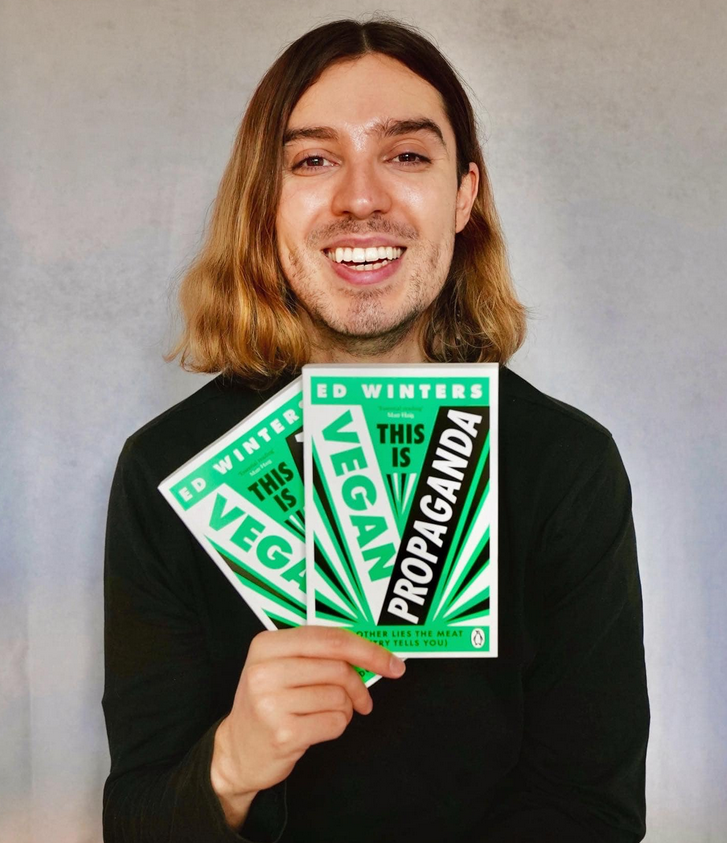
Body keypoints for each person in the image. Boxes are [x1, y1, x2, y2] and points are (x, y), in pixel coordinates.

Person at [102, 15, 649, 843]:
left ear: (462, 195)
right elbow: (135, 823)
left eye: (405, 155)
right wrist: (231, 765)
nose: (361, 198)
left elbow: (593, 808)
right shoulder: (168, 470)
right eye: (314, 159)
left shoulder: (565, 464)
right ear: (266, 203)